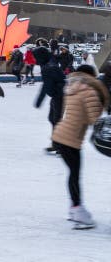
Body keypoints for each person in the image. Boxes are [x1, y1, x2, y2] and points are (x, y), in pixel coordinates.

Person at [51, 64, 109, 229]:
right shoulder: (89, 91)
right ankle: (77, 210)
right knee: (75, 175)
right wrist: (101, 104)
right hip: (70, 139)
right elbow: (93, 118)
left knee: (73, 174)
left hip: (62, 135)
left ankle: (74, 208)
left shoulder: (72, 87)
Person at [33, 46, 67, 154]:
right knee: (52, 118)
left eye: (36, 57)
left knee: (57, 120)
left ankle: (61, 146)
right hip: (56, 95)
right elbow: (47, 84)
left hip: (60, 95)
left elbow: (51, 84)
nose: (35, 60)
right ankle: (56, 144)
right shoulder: (48, 65)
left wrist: (40, 100)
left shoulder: (49, 67)